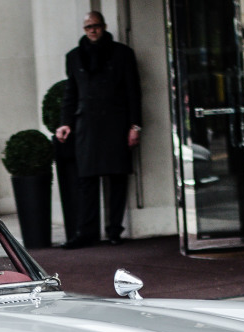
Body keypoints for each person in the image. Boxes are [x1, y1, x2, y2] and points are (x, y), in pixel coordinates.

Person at [55, 11, 141, 248]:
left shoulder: (123, 54)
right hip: (87, 125)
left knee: (117, 178)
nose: (92, 30)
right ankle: (86, 232)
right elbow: (70, 92)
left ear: (104, 26)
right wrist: (65, 122)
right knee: (87, 180)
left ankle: (114, 230)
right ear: (84, 30)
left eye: (96, 26)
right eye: (88, 27)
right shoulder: (74, 57)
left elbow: (133, 92)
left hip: (116, 123)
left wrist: (135, 126)